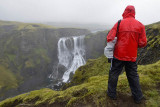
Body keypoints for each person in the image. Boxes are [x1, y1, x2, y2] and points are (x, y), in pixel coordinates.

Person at [106, 5, 147, 104]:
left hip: (118, 55)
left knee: (114, 73)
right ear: (134, 13)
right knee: (133, 75)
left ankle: (111, 94)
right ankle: (138, 97)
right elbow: (143, 43)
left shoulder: (119, 23)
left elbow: (110, 37)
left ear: (125, 12)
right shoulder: (140, 25)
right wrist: (133, 45)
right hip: (132, 56)